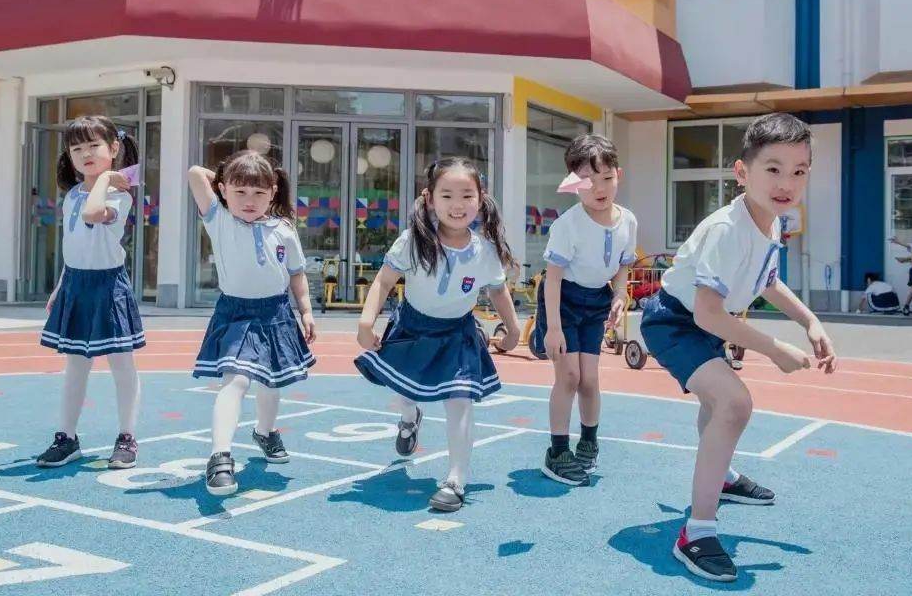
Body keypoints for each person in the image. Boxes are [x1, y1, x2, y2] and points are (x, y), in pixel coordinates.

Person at [640, 113, 837, 582]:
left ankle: (722, 478)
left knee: (719, 405)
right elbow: (708, 314)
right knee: (734, 403)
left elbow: (767, 282)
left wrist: (809, 321)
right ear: (742, 172)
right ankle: (696, 533)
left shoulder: (769, 223)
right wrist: (775, 348)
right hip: (674, 322)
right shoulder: (727, 230)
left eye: (799, 171)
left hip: (703, 322)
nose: (786, 182)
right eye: (774, 169)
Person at [355, 157, 520, 512]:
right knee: (404, 394)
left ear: (481, 198)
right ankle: (410, 417)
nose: (457, 205)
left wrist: (513, 328)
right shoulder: (412, 241)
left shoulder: (485, 250)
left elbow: (497, 290)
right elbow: (384, 281)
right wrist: (366, 322)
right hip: (413, 329)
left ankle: (456, 479)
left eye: (466, 195)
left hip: (458, 334)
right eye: (447, 195)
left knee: (460, 401)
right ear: (429, 199)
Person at [188, 150, 316, 496]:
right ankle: (220, 457)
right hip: (236, 314)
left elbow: (296, 273)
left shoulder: (284, 228)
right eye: (240, 191)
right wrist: (228, 176)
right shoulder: (218, 218)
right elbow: (194, 172)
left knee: (271, 382)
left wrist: (305, 310)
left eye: (259, 192)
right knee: (236, 381)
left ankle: (265, 432)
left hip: (276, 313)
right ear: (223, 190)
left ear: (273, 192)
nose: (249, 200)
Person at [37, 116, 145, 470]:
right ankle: (66, 438)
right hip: (76, 285)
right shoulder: (72, 195)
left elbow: (93, 213)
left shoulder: (118, 194)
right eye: (76, 148)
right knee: (75, 366)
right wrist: (60, 285)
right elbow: (73, 243)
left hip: (108, 286)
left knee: (122, 365)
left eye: (93, 146)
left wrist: (106, 180)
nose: (85, 154)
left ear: (113, 148)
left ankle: (127, 436)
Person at [532, 134, 637, 486]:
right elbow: (552, 278)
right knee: (569, 377)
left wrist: (619, 295)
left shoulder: (628, 221)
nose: (599, 188)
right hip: (562, 301)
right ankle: (557, 452)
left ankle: (588, 443)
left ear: (619, 175)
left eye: (607, 177)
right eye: (589, 181)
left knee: (590, 379)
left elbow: (623, 265)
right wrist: (553, 328)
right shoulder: (568, 224)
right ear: (574, 184)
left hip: (596, 302)